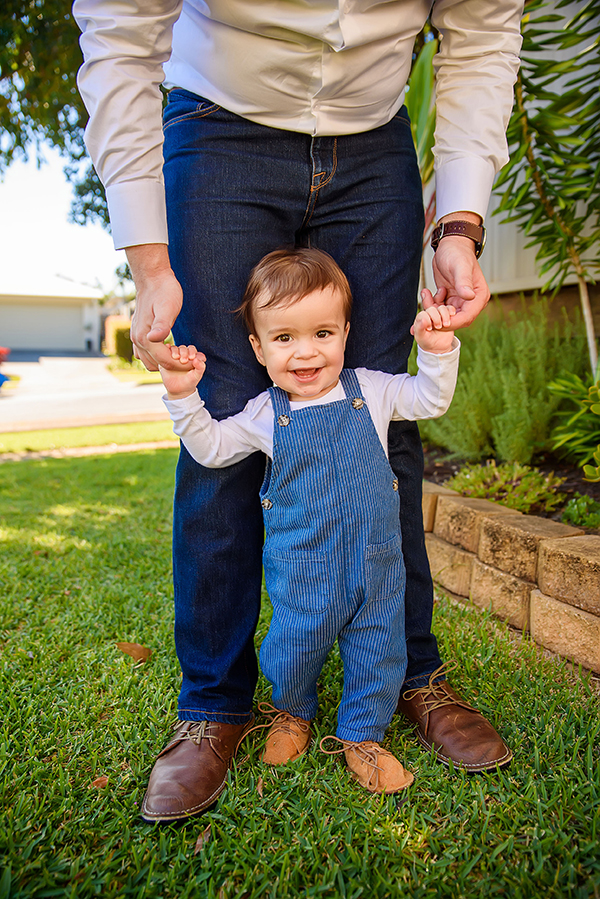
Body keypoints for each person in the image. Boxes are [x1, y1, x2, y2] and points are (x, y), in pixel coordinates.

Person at [73, 0, 521, 823]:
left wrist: (458, 224)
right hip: (218, 127)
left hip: (377, 140)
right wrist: (149, 257)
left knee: (388, 434)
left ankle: (413, 671)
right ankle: (214, 703)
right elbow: (120, 32)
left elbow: (483, 31)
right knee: (227, 412)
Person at [154, 247, 459, 802]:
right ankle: (293, 712)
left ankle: (362, 736)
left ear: (346, 331)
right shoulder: (267, 413)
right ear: (258, 347)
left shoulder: (374, 391)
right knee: (292, 648)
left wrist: (438, 351)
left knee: (380, 651)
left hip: (377, 566)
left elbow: (430, 399)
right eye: (285, 338)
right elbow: (213, 450)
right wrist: (183, 396)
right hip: (304, 571)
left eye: (322, 333)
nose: (306, 353)